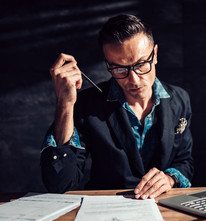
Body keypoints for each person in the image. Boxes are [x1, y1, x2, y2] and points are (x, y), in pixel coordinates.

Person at [40, 14, 194, 199]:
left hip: (165, 208)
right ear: (108, 64)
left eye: (141, 64)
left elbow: (185, 161)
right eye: (120, 69)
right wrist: (64, 104)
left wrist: (169, 178)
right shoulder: (87, 104)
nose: (134, 80)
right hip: (107, 209)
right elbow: (60, 184)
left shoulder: (179, 99)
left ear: (155, 54)